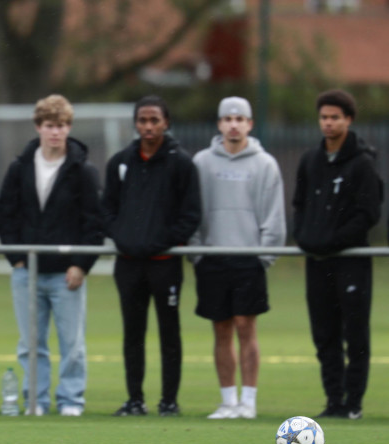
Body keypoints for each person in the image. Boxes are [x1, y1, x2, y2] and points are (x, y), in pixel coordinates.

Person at [0, 94, 102, 417]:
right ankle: (36, 401)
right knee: (30, 344)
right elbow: (5, 215)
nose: (55, 132)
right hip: (26, 271)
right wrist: (16, 258)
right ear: (38, 127)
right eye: (49, 126)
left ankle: (71, 400)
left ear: (69, 128)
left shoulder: (83, 170)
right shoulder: (20, 167)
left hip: (66, 274)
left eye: (61, 126)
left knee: (73, 344)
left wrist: (81, 265)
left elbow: (94, 222)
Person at [101, 95, 201, 417]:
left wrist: (160, 242)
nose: (148, 126)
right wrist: (124, 238)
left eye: (154, 120)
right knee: (133, 333)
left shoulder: (181, 163)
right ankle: (135, 400)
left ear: (166, 123)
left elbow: (190, 214)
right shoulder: (120, 161)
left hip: (164, 265)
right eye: (143, 120)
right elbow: (107, 211)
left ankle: (169, 401)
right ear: (135, 123)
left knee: (169, 333)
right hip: (129, 265)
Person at [190, 97, 286, 420]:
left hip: (249, 259)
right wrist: (198, 253)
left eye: (240, 118)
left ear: (250, 124)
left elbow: (274, 216)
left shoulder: (265, 164)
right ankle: (228, 401)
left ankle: (249, 401)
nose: (233, 124)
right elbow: (193, 212)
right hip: (214, 258)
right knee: (221, 330)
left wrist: (264, 256)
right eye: (227, 118)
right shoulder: (202, 162)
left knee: (247, 327)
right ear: (219, 124)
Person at [293, 89, 381, 420]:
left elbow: (368, 214)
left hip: (350, 263)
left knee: (354, 333)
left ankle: (353, 403)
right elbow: (299, 205)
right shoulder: (309, 160)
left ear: (348, 120)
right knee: (324, 334)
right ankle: (333, 401)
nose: (328, 123)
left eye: (335, 117)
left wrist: (332, 240)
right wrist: (304, 237)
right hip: (317, 263)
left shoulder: (362, 163)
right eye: (324, 117)